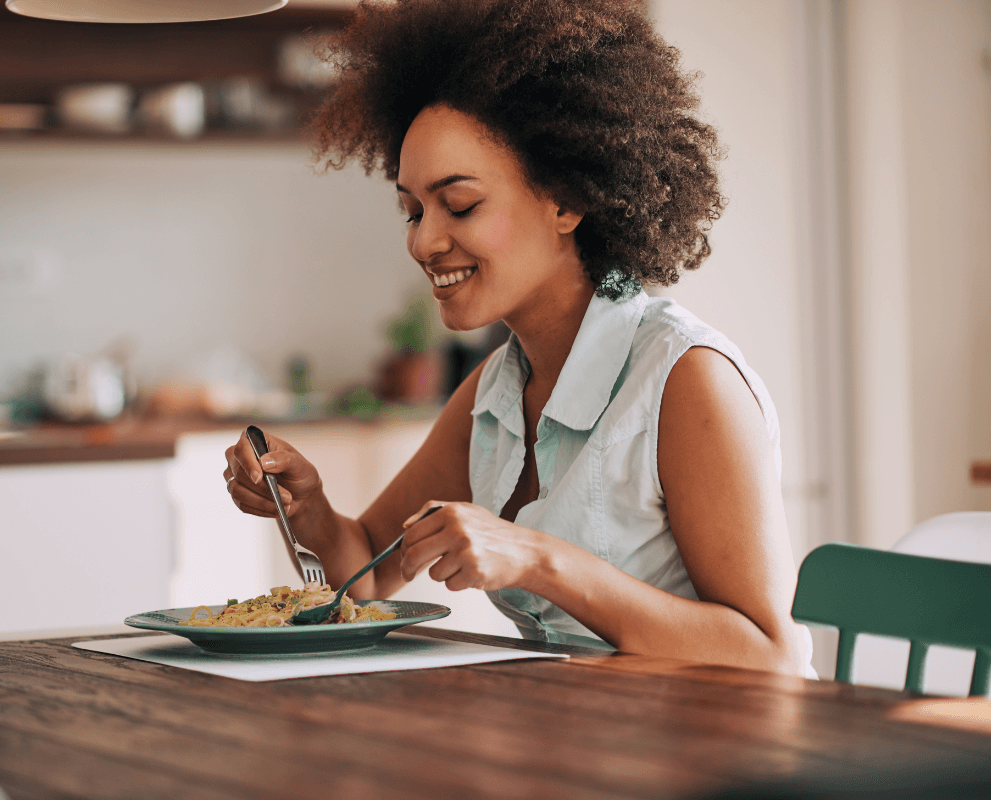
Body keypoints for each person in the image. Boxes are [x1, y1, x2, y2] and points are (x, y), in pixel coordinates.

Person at [223, 0, 812, 675]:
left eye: (460, 204)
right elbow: (369, 577)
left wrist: (536, 557)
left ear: (564, 200)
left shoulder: (685, 380)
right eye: (412, 210)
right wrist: (311, 509)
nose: (423, 240)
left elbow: (772, 654)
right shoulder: (498, 390)